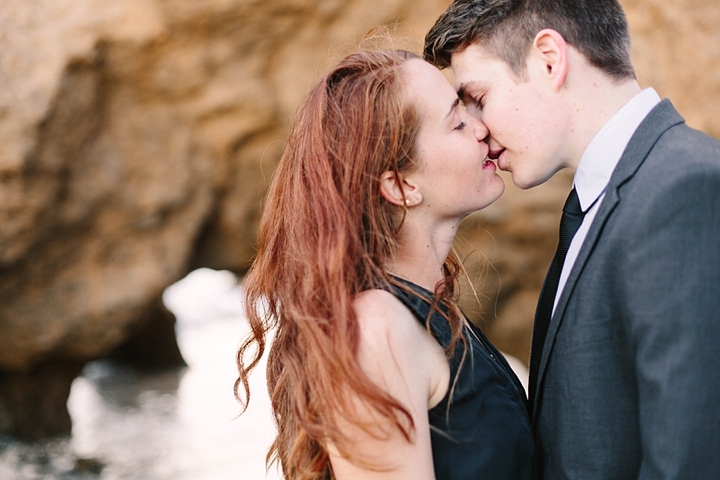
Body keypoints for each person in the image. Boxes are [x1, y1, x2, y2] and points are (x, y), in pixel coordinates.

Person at [424, 0, 720, 479]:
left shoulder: (684, 190)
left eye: (478, 96)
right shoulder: (601, 202)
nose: (476, 127)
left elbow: (693, 458)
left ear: (548, 59)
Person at [235, 48, 533, 479]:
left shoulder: (426, 311)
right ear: (401, 185)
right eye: (456, 121)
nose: (481, 127)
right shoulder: (376, 330)